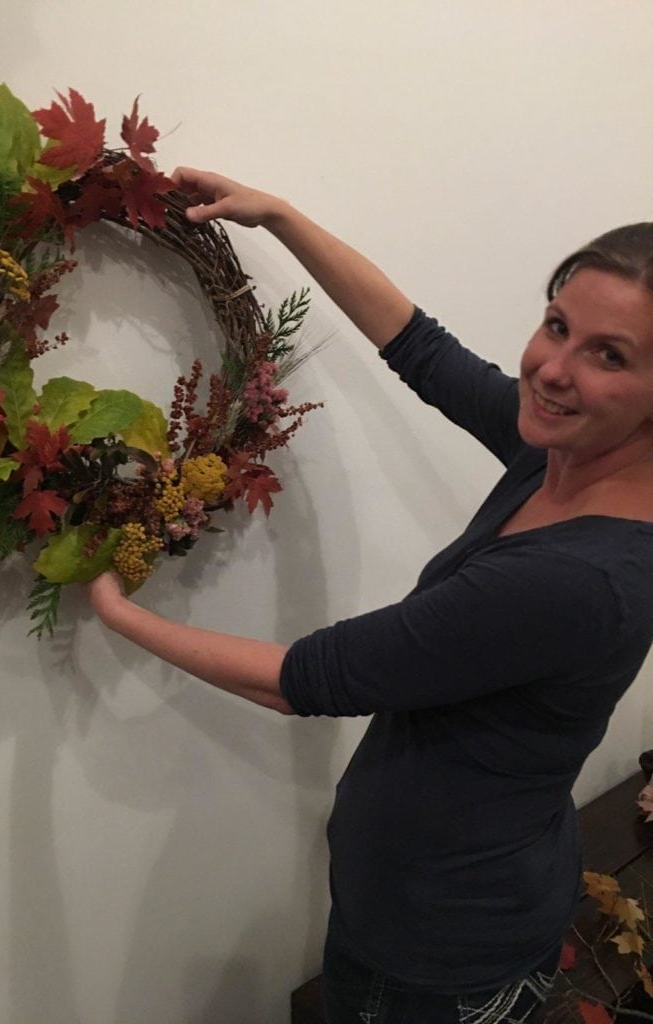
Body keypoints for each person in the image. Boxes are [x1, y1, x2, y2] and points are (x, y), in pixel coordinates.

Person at [88, 172, 653, 1024]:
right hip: (469, 894)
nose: (553, 369)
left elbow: (305, 679)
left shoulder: (574, 580)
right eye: (557, 326)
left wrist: (115, 610)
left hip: (437, 954)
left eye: (611, 356)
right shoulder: (564, 454)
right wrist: (280, 216)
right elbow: (420, 347)